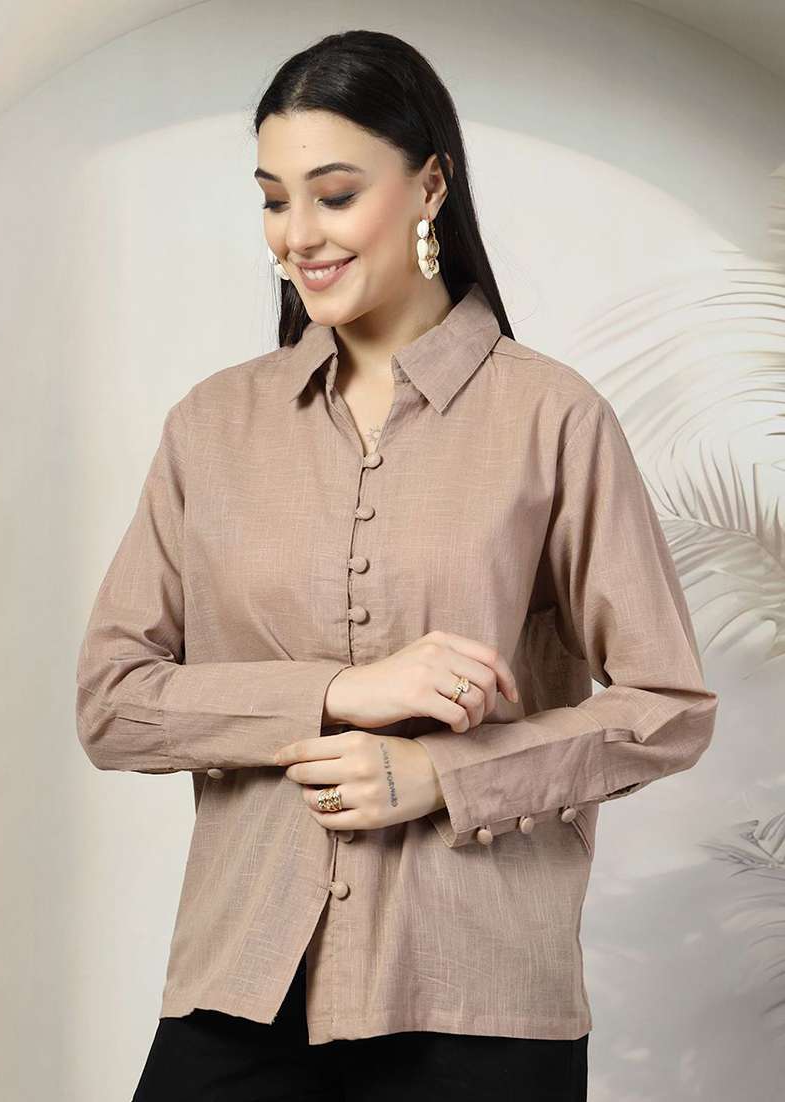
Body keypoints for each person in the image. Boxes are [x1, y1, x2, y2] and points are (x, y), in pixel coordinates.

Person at [75, 29, 719, 1102]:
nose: (297, 235)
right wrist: (337, 692)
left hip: (478, 997)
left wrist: (444, 777)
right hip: (243, 982)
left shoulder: (551, 418)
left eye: (334, 195)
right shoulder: (211, 427)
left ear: (428, 187)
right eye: (273, 200)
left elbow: (668, 706)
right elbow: (112, 702)